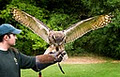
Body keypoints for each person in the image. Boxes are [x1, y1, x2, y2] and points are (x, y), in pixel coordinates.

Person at [0, 24, 65, 77]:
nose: (16, 37)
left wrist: (52, 58)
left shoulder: (14, 53)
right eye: (14, 35)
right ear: (6, 37)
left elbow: (33, 62)